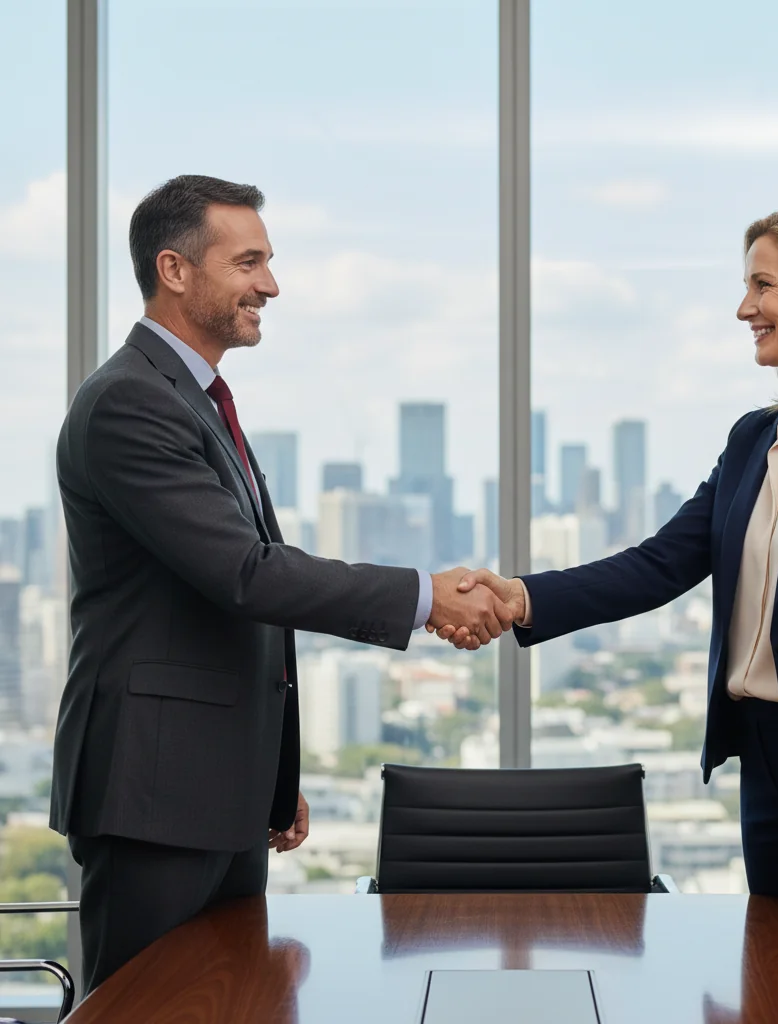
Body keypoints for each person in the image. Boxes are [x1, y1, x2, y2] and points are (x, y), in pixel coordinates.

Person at [433, 204, 778, 987]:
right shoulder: (756, 438)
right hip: (768, 763)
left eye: (763, 285)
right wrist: (520, 597)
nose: (744, 308)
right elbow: (659, 563)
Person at [51, 174, 513, 993]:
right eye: (249, 262)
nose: (270, 284)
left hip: (210, 792)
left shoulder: (193, 401)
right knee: (147, 1013)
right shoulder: (131, 402)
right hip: (153, 795)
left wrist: (268, 774)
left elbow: (227, 602)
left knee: (233, 1002)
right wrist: (426, 595)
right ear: (176, 270)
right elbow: (246, 575)